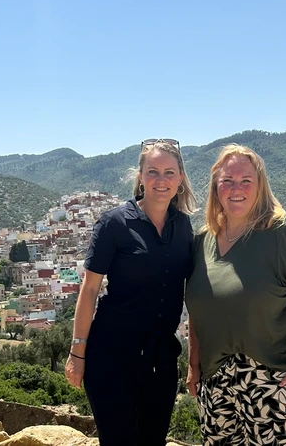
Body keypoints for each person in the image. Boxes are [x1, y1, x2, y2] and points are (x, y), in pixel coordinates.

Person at [185, 144, 286, 445]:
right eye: (227, 180)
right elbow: (200, 310)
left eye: (246, 180)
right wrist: (193, 364)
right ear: (215, 187)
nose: (236, 188)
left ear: (260, 185)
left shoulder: (283, 234)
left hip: (272, 380)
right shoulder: (202, 241)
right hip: (215, 379)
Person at [65, 139, 196, 446]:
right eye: (153, 172)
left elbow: (193, 294)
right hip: (112, 356)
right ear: (140, 177)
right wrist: (77, 353)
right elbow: (89, 291)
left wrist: (195, 360)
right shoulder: (114, 223)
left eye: (169, 172)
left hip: (161, 359)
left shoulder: (184, 227)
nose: (161, 180)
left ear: (180, 178)